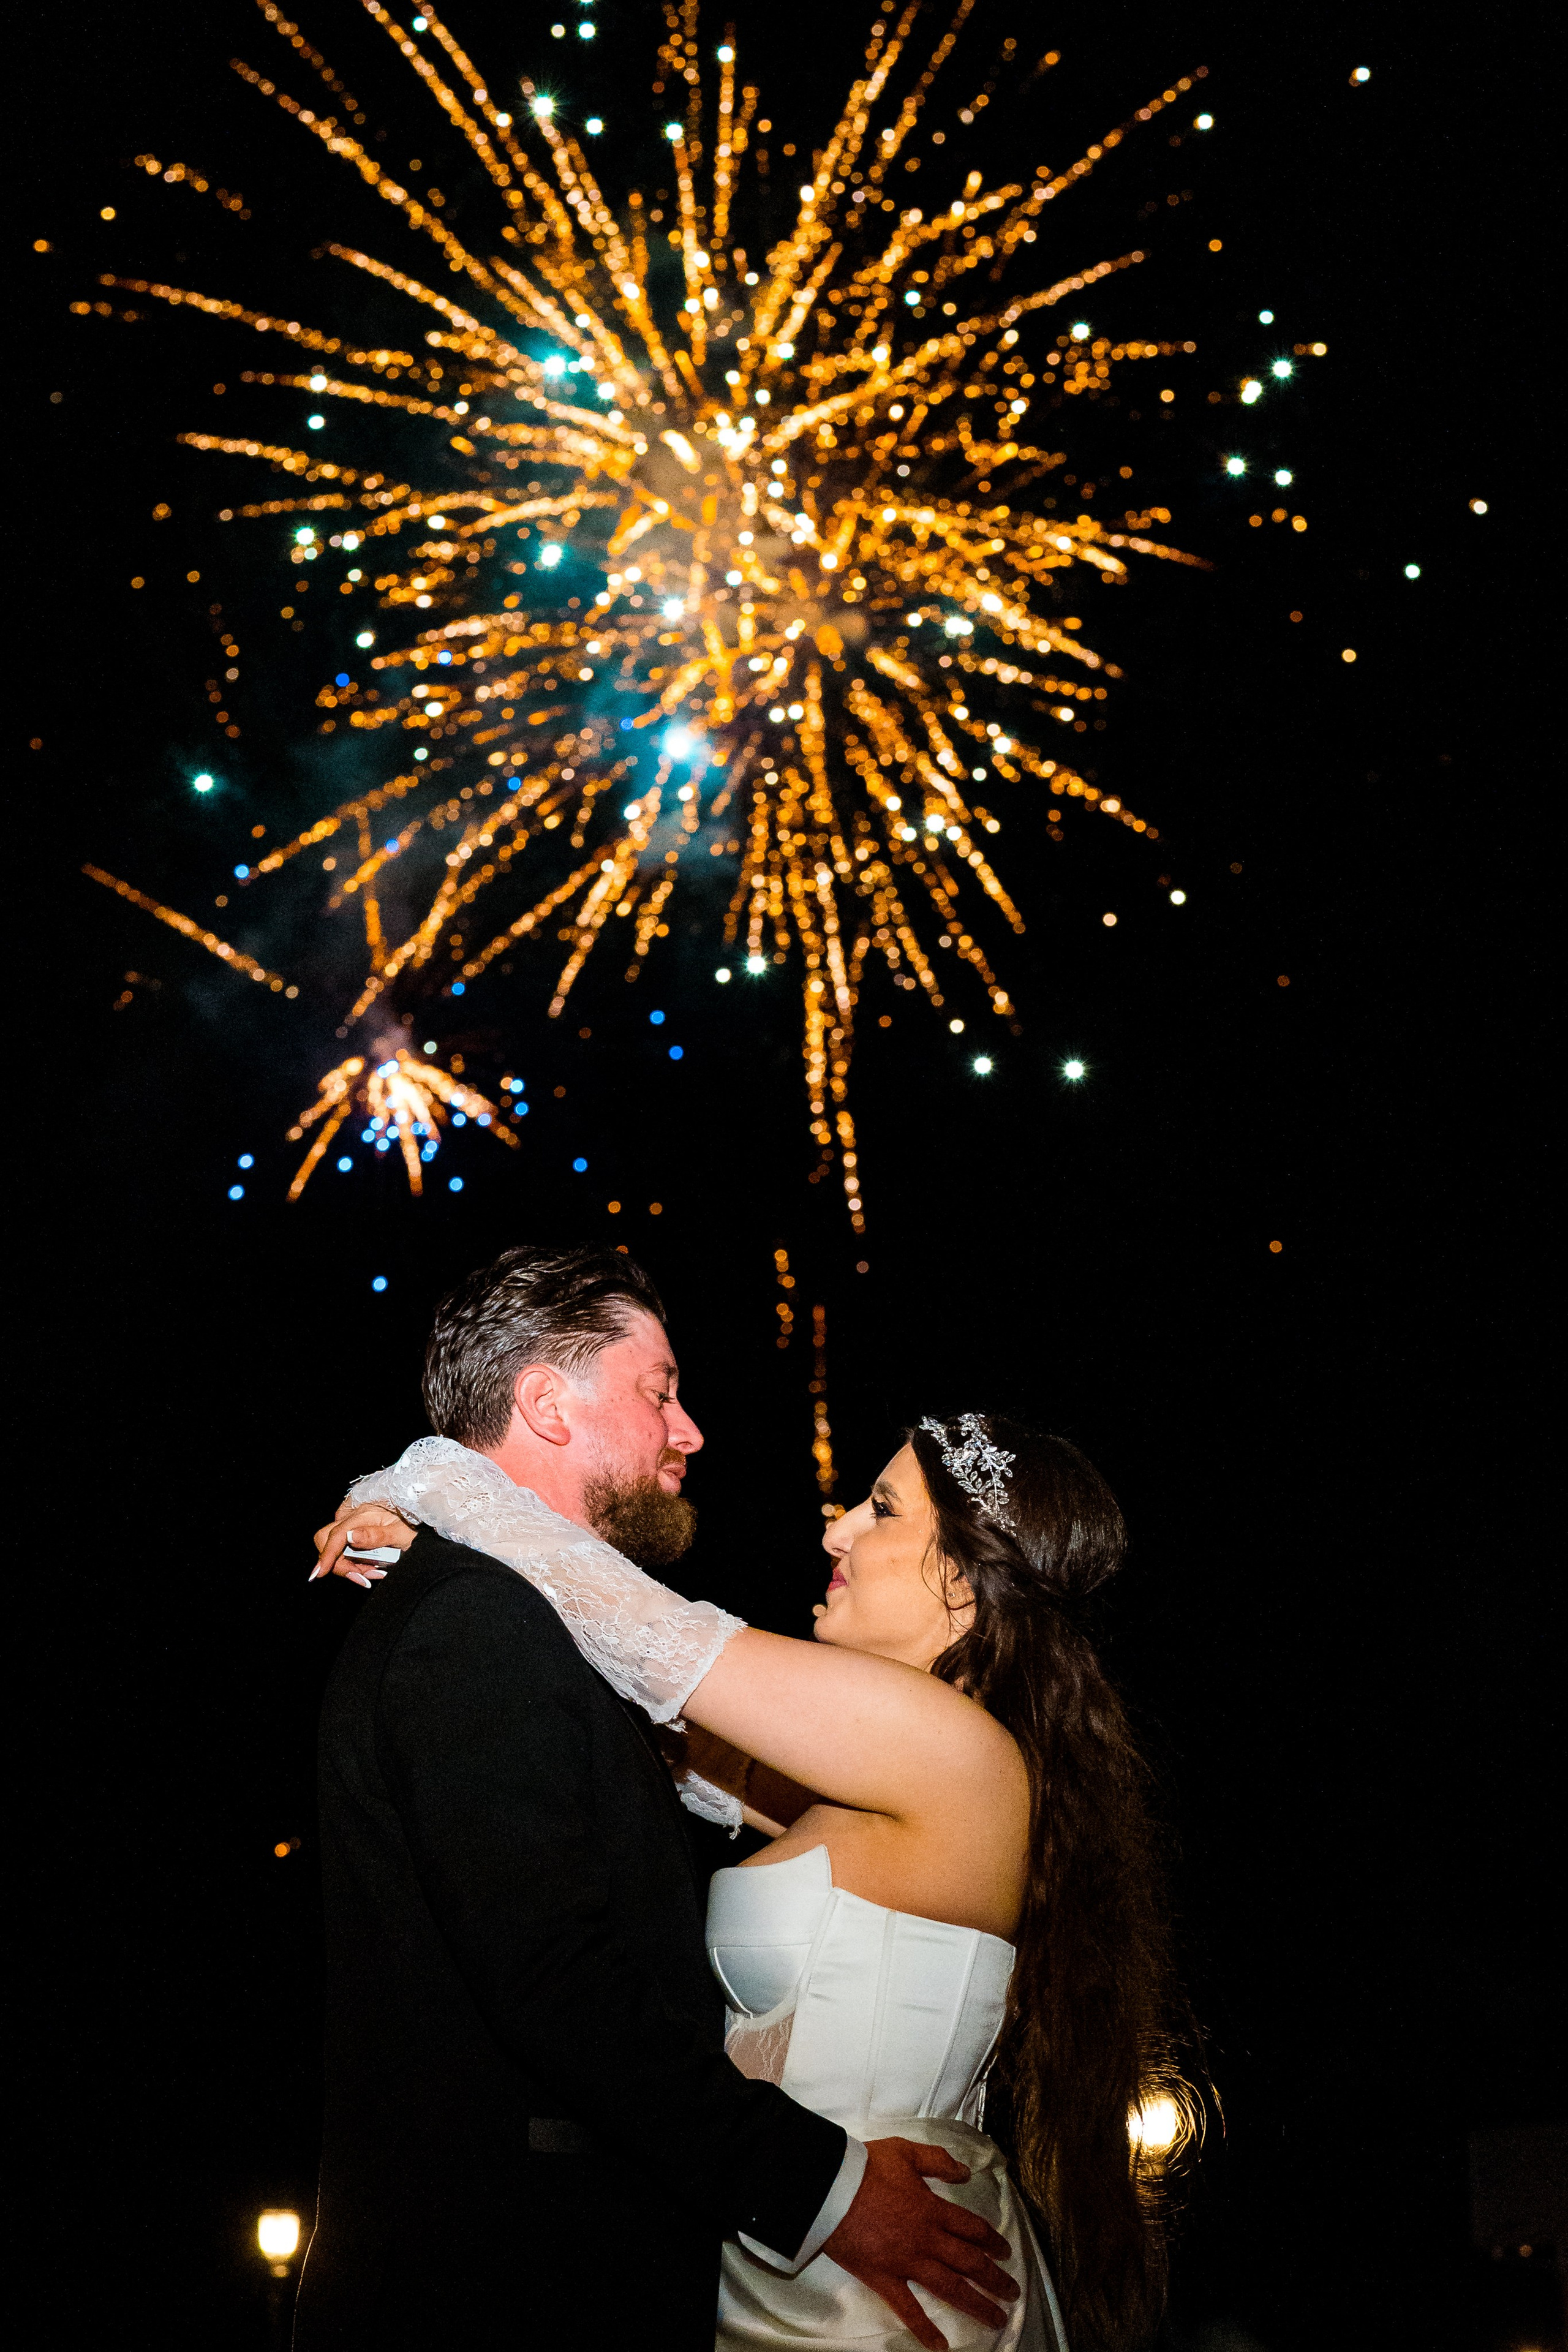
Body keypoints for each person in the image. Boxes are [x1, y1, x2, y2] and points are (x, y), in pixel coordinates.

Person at [318, 1245, 1192, 2351]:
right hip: (795, 2237)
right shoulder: (865, 1778)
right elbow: (662, 1755)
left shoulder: (950, 1748)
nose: (834, 1529)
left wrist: (429, 1483)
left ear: (964, 1586)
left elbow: (651, 1640)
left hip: (879, 2254)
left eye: (880, 1511)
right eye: (663, 1393)